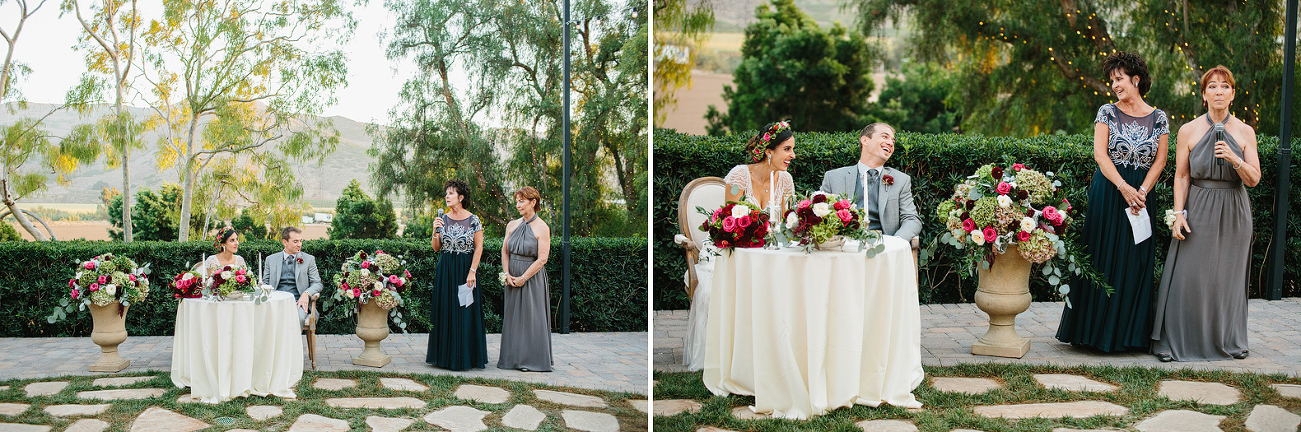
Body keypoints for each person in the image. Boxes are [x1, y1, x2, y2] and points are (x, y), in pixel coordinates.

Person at [1056, 52, 1168, 352]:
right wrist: (1124, 188)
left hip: (1142, 197)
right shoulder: (1107, 112)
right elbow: (1100, 155)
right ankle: (1091, 334)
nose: (1115, 85)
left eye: (1119, 79)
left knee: (1136, 260)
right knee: (1102, 257)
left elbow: (1160, 161)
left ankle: (1130, 337)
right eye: (1112, 81)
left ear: (1136, 79)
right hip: (1109, 191)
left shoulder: (1159, 117)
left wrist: (1141, 191)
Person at [1151, 66, 1260, 362]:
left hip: (1234, 209)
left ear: (1233, 94)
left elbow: (1254, 179)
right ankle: (1176, 342)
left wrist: (1235, 159)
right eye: (1212, 86)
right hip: (1198, 207)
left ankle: (1229, 340)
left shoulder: (1245, 132)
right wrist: (1179, 213)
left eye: (1225, 86)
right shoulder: (1188, 130)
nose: (1219, 91)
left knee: (1227, 279)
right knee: (1189, 275)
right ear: (1204, 95)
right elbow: (1182, 177)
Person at [682, 121, 798, 371]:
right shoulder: (738, 176)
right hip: (733, 248)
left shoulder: (786, 181)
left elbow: (788, 222)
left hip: (771, 250)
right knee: (718, 289)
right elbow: (729, 217)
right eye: (787, 149)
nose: (792, 156)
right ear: (770, 151)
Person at [818, 122, 921, 241]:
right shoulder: (834, 177)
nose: (891, 143)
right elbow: (819, 214)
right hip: (844, 249)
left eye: (893, 140)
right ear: (865, 140)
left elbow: (911, 219)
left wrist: (896, 242)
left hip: (884, 248)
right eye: (884, 136)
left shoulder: (901, 180)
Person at [426, 179, 488, 370]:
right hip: (445, 268)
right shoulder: (442, 219)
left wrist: (472, 272)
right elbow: (436, 248)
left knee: (465, 310)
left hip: (464, 268)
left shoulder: (474, 220)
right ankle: (443, 357)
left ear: (461, 197)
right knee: (445, 309)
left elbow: (479, 248)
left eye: (451, 193)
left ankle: (465, 357)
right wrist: (435, 231)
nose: (447, 196)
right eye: (446, 193)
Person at [498, 186, 553, 372]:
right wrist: (507, 274)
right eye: (517, 201)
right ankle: (512, 358)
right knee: (514, 317)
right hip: (512, 276)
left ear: (533, 202)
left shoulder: (542, 227)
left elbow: (543, 259)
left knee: (532, 317)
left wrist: (524, 277)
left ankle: (532, 360)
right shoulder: (511, 225)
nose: (518, 205)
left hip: (531, 278)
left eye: (521, 201)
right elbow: (505, 251)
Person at [260, 226, 323, 326]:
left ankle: (293, 342)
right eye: (295, 242)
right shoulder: (270, 260)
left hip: (299, 302)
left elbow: (317, 284)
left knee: (298, 318)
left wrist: (306, 294)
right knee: (265, 319)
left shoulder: (309, 259)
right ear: (285, 242)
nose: (299, 245)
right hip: (275, 302)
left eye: (300, 241)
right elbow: (264, 283)